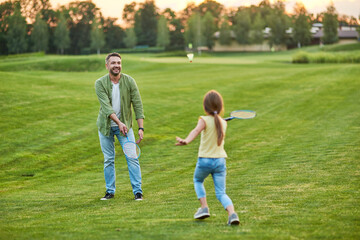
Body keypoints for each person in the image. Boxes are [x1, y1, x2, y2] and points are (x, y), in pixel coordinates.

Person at [175, 90, 240, 225]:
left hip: (205, 160)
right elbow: (214, 124)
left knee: (198, 180)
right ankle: (232, 214)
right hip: (220, 161)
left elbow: (196, 131)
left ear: (205, 107)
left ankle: (204, 208)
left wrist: (186, 140)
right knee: (221, 193)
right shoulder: (223, 123)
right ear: (221, 107)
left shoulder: (203, 120)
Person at [95, 52, 145, 201]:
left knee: (132, 157)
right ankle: (110, 191)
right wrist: (119, 123)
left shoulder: (129, 81)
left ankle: (138, 192)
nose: (116, 65)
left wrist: (140, 128)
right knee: (109, 159)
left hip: (125, 127)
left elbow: (138, 105)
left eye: (118, 63)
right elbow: (107, 107)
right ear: (107, 66)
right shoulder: (100, 83)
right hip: (106, 127)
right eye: (113, 63)